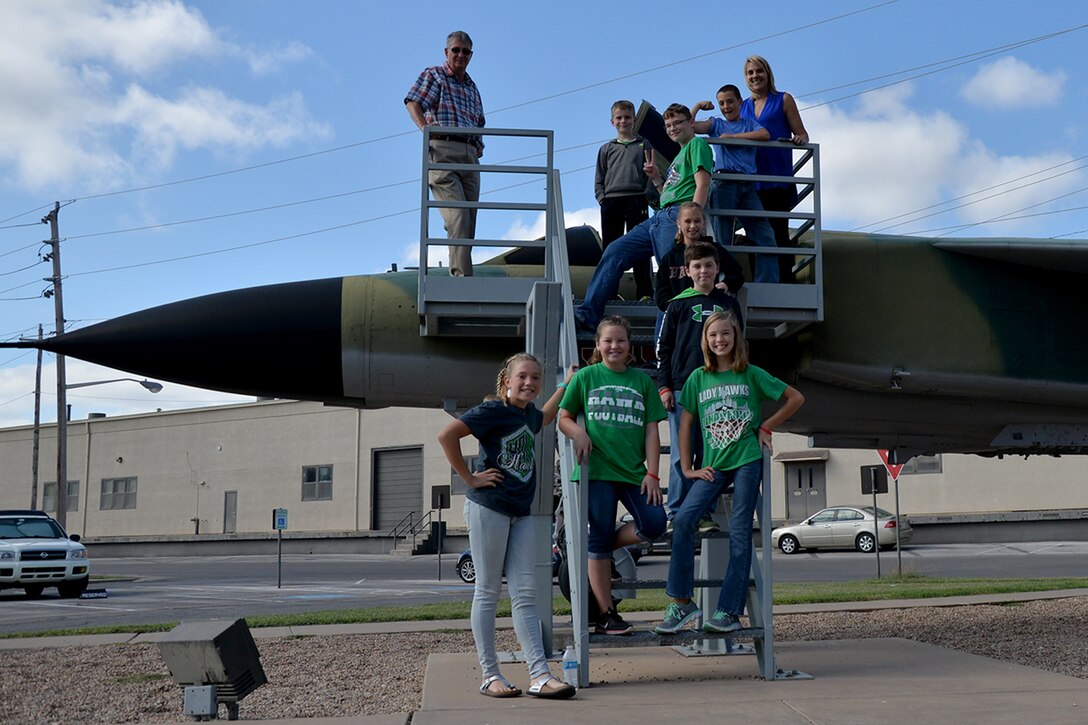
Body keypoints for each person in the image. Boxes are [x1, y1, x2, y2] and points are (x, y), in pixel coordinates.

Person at [438, 353, 577, 699]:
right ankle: (490, 675)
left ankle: (540, 675)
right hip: (490, 508)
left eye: (535, 379)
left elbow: (545, 418)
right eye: (523, 377)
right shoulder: (493, 411)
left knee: (526, 594)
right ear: (507, 381)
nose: (529, 383)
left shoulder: (528, 414)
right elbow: (447, 436)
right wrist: (470, 478)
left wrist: (564, 385)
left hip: (522, 513)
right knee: (487, 591)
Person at [655, 311, 804, 635]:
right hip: (714, 466)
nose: (719, 340)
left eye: (725, 334)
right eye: (713, 335)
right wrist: (687, 467)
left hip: (747, 460)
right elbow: (686, 423)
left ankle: (729, 612)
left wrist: (766, 426)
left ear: (735, 337)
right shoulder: (698, 378)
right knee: (682, 520)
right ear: (705, 341)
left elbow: (795, 398)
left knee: (739, 532)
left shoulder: (749, 374)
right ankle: (682, 603)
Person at [558, 316, 668, 635]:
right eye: (608, 340)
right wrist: (578, 432)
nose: (614, 346)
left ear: (629, 346)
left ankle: (605, 546)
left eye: (620, 340)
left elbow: (651, 432)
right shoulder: (586, 377)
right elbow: (563, 417)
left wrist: (652, 473)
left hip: (634, 473)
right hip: (598, 472)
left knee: (655, 523)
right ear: (598, 345)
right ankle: (607, 615)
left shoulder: (642, 382)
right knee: (598, 538)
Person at [575, 104, 713, 330]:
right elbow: (665, 195)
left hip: (677, 216)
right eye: (668, 125)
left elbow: (703, 184)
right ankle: (588, 315)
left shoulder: (697, 145)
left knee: (671, 278)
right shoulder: (680, 155)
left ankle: (666, 343)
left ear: (690, 123)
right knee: (614, 250)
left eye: (678, 122)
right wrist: (657, 179)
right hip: (660, 216)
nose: (672, 128)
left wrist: (691, 222)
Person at [656, 240, 743, 530]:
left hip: (718, 390)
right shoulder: (677, 303)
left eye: (709, 265)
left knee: (710, 452)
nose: (703, 270)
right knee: (683, 453)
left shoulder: (728, 304)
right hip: (682, 387)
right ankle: (677, 513)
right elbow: (664, 348)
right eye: (697, 266)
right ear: (687, 270)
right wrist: (664, 386)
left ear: (718, 268)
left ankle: (703, 511)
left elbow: (739, 344)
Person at [405, 31, 486, 277]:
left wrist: (479, 143)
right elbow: (413, 101)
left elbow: (479, 120)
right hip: (443, 149)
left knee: (468, 221)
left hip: (470, 154)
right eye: (456, 50)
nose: (460, 55)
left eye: (465, 51)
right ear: (446, 52)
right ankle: (462, 280)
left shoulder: (472, 87)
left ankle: (460, 271)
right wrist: (424, 128)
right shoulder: (435, 75)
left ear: (471, 55)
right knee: (458, 216)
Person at [691, 84, 780, 283]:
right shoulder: (717, 124)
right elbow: (690, 126)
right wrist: (698, 105)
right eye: (721, 103)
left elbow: (765, 134)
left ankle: (767, 282)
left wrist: (732, 138)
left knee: (764, 233)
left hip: (748, 185)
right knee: (722, 236)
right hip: (725, 183)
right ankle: (722, 280)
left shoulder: (749, 124)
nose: (726, 106)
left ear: (740, 102)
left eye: (730, 101)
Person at [740, 55, 810, 283]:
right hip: (751, 180)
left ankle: (785, 282)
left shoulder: (783, 99)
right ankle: (760, 282)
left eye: (758, 71)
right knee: (754, 234)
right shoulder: (743, 106)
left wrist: (799, 138)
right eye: (750, 73)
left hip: (777, 177)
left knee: (778, 231)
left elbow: (801, 133)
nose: (755, 76)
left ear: (768, 73)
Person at [595, 100, 659, 300]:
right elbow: (600, 177)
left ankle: (645, 292)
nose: (623, 121)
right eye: (619, 118)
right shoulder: (607, 148)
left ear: (634, 119)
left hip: (636, 200)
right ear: (612, 121)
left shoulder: (644, 144)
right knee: (611, 248)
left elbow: (651, 173)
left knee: (640, 248)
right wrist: (602, 198)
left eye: (627, 117)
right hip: (612, 201)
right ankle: (610, 292)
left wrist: (646, 196)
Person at [654, 201, 743, 311]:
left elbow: (737, 273)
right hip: (681, 316)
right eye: (687, 221)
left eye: (697, 221)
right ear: (678, 223)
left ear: (703, 223)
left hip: (710, 312)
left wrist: (726, 284)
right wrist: (675, 309)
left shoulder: (714, 250)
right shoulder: (669, 258)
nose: (692, 226)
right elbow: (661, 295)